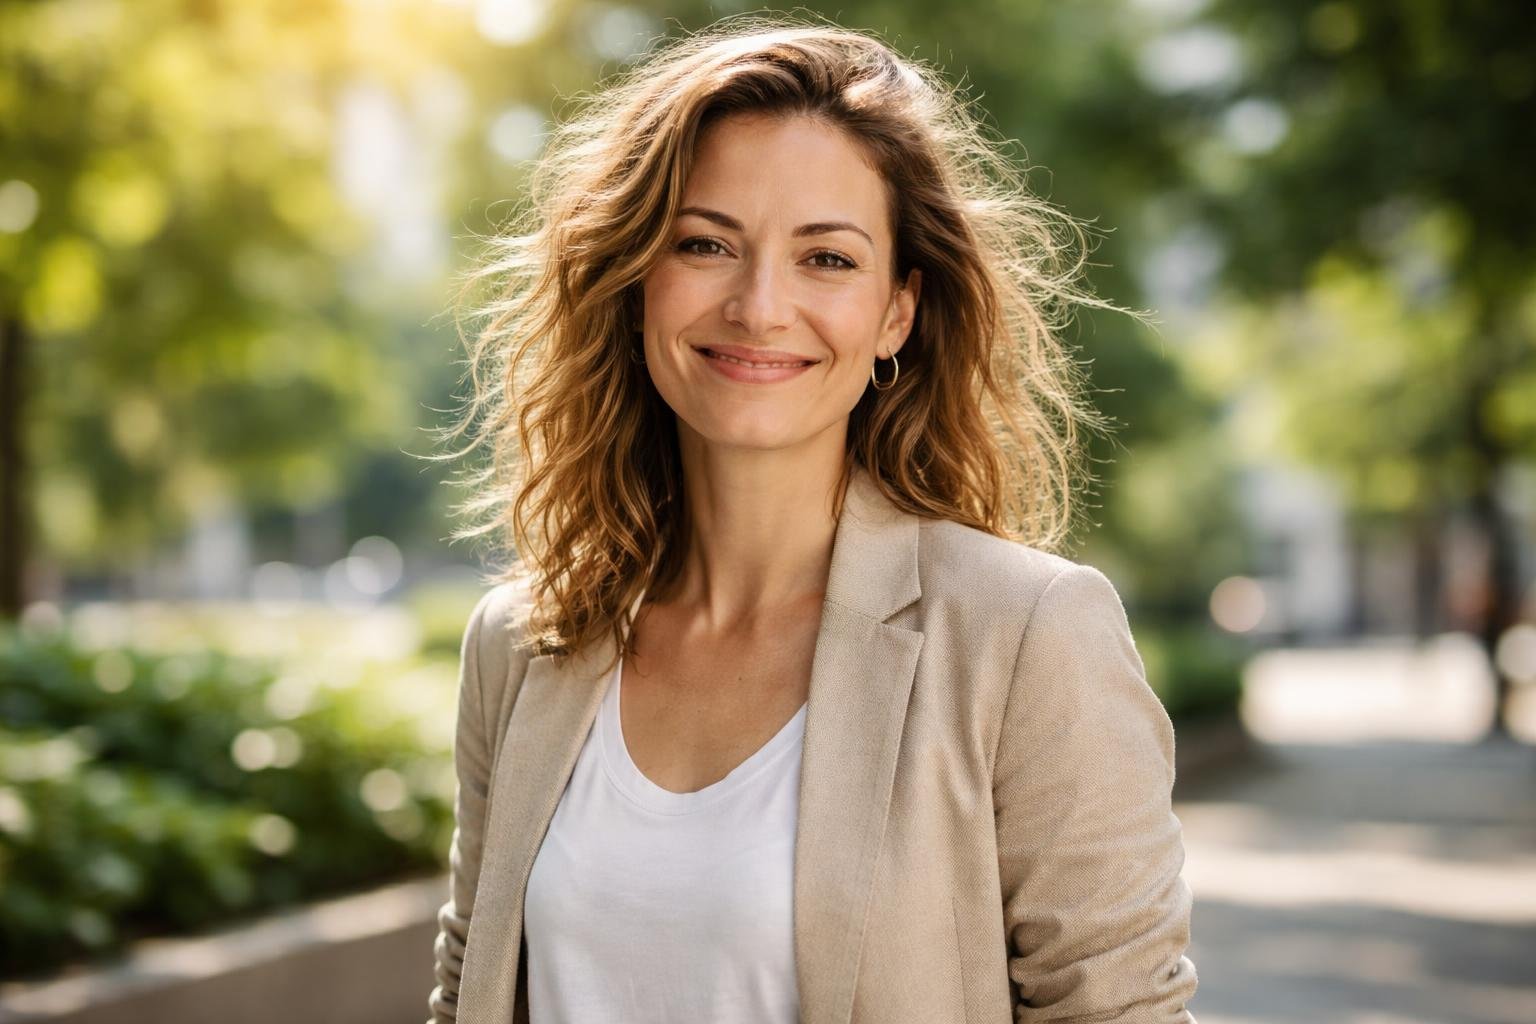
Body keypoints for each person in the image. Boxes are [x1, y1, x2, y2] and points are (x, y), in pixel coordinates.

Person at [426, 13, 1199, 1024]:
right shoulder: (523, 642)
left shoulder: (1023, 634)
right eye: (704, 243)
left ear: (897, 312)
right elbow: (466, 989)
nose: (757, 305)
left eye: (825, 258)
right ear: (635, 282)